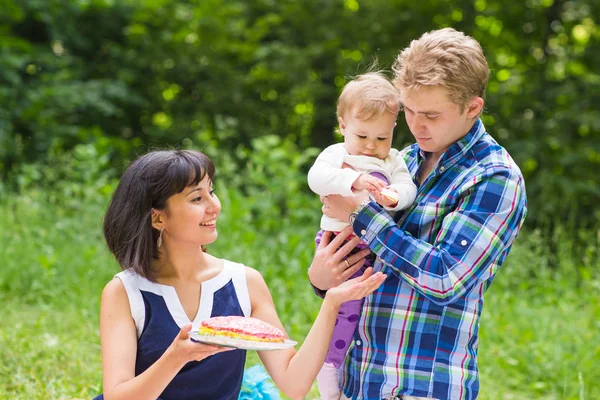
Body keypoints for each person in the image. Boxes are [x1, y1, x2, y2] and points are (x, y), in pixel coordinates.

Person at [308, 28, 528, 400]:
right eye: (408, 110)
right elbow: (367, 261)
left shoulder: (493, 177)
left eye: (431, 114)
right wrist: (322, 277)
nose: (416, 125)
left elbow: (445, 279)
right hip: (359, 380)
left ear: (472, 108)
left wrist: (362, 213)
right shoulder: (403, 161)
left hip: (419, 386)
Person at [94, 149, 387, 400]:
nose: (214, 206)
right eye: (197, 199)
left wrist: (331, 303)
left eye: (212, 191)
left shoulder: (243, 282)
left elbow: (293, 383)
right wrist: (176, 357)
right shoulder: (126, 291)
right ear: (158, 217)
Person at [306, 72, 417, 400]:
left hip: (374, 249)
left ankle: (346, 371)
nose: (371, 145)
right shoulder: (337, 155)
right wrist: (352, 182)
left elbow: (407, 185)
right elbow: (317, 178)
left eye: (381, 138)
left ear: (393, 131)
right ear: (343, 124)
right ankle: (328, 369)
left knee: (365, 313)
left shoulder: (394, 159)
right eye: (363, 135)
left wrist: (395, 196)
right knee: (344, 310)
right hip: (339, 242)